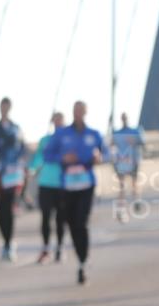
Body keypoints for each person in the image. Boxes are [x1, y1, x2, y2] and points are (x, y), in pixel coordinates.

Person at [43, 100, 110, 285]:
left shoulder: (94, 134)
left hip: (86, 185)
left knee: (82, 222)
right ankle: (81, 258)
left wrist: (99, 157)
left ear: (86, 112)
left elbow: (107, 154)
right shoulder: (61, 134)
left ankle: (83, 261)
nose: (78, 113)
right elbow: (47, 154)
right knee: (72, 224)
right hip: (67, 186)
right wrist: (62, 158)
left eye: (81, 110)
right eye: (75, 110)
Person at [0, 97, 28, 261]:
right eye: (2, 106)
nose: (5, 109)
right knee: (0, 209)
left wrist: (23, 167)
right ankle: (5, 241)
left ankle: (9, 243)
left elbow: (22, 148)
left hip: (13, 174)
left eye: (7, 106)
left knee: (9, 207)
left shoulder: (16, 128)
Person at [29, 112, 67, 263]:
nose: (57, 123)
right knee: (45, 217)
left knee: (60, 218)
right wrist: (31, 169)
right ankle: (45, 249)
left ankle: (60, 247)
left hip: (62, 184)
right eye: (55, 121)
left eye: (60, 121)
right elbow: (38, 158)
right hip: (45, 183)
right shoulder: (45, 140)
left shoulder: (67, 140)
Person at [111, 112, 146, 222]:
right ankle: (121, 209)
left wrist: (135, 141)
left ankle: (136, 200)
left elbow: (143, 143)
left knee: (134, 183)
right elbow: (111, 145)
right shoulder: (117, 132)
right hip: (121, 162)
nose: (124, 120)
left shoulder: (135, 131)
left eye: (125, 118)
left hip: (133, 161)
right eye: (123, 118)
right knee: (121, 186)